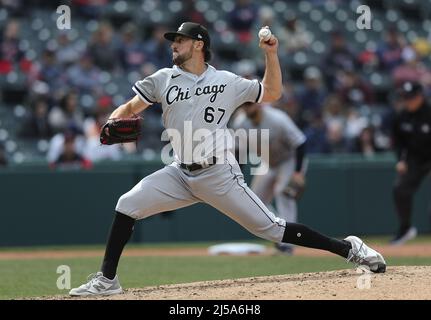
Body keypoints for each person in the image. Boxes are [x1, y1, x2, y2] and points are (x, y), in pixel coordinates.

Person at [69, 22, 386, 296]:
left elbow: (272, 93)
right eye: (172, 41)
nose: (173, 46)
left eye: (178, 40)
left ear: (198, 45)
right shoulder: (163, 78)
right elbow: (130, 107)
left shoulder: (226, 82)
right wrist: (112, 121)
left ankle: (349, 247)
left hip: (218, 173)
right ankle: (107, 280)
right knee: (127, 204)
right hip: (180, 172)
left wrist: (271, 54)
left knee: (272, 229)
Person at [232, 101, 307, 255]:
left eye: (250, 104)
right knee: (254, 198)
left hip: (289, 160)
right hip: (268, 162)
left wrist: (298, 172)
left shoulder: (277, 118)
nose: (247, 108)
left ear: (259, 104)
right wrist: (236, 174)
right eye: (244, 105)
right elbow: (239, 152)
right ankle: (281, 228)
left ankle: (288, 243)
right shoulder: (240, 123)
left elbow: (300, 143)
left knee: (282, 193)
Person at [391, 81, 431, 245]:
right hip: (415, 160)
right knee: (400, 189)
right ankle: (405, 229)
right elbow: (399, 142)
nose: (408, 102)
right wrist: (401, 160)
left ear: (421, 97)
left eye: (412, 98)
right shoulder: (401, 117)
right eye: (406, 98)